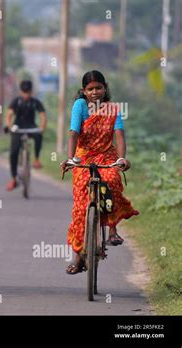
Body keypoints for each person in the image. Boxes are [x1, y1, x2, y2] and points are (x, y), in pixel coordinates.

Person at [60, 70, 139, 275]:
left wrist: (121, 159)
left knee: (111, 180)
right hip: (84, 157)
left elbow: (119, 135)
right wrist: (71, 158)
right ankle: (79, 257)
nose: (94, 92)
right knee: (81, 203)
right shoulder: (80, 106)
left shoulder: (112, 109)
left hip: (106, 156)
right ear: (84, 91)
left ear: (105, 89)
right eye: (90, 89)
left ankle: (112, 230)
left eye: (98, 88)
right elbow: (74, 133)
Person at [4, 80, 47, 191]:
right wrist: (9, 126)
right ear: (21, 91)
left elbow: (43, 115)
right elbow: (9, 115)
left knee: (39, 136)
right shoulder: (16, 101)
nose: (26, 94)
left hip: (31, 126)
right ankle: (14, 178)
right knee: (13, 152)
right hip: (18, 127)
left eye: (27, 92)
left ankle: (36, 159)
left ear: (31, 91)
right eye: (24, 92)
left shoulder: (35, 102)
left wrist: (42, 127)